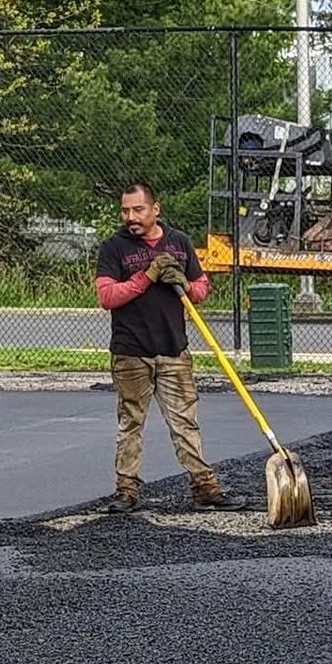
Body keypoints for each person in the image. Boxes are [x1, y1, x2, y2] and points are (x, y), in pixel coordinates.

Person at [94, 181, 244, 513]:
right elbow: (107, 297)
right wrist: (147, 276)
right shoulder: (113, 248)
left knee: (184, 421)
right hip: (130, 351)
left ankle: (204, 487)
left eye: (138, 210)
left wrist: (186, 283)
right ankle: (126, 490)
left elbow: (201, 290)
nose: (131, 217)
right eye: (125, 210)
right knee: (131, 421)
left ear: (155, 209)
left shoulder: (179, 243)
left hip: (174, 349)